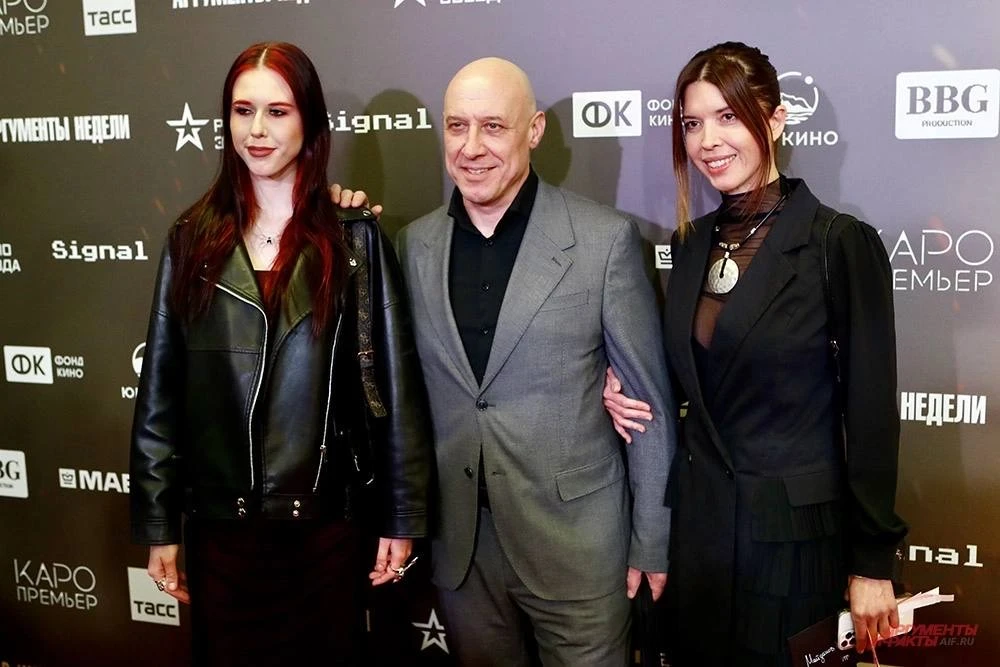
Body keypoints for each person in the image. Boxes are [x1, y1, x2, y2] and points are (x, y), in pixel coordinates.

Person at [604, 41, 908, 666]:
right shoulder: (689, 244)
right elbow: (696, 380)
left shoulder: (838, 243)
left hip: (793, 549)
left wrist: (873, 562)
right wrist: (619, 387)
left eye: (728, 117)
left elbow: (872, 415)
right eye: (693, 124)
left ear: (774, 121)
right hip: (700, 539)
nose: (708, 141)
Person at [129, 41, 432, 667]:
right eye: (243, 111)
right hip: (221, 535)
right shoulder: (190, 240)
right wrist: (158, 525)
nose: (257, 130)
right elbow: (160, 393)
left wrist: (401, 515)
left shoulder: (354, 238)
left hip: (327, 532)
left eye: (278, 111)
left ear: (309, 120)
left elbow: (395, 387)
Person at [392, 57, 676, 666]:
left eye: (493, 126)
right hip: (463, 550)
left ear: (535, 130)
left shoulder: (604, 241)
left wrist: (652, 539)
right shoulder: (413, 246)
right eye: (457, 126)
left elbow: (646, 406)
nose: (471, 147)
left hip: (578, 547)